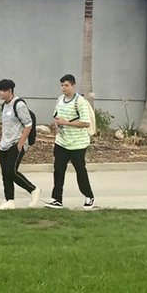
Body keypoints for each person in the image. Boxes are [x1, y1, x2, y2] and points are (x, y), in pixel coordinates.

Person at [47, 74, 96, 209]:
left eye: (66, 85)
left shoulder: (79, 101)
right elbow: (57, 117)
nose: (64, 88)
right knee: (58, 170)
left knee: (80, 170)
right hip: (61, 142)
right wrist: (57, 126)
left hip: (77, 144)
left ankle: (89, 196)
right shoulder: (60, 100)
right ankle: (57, 199)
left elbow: (86, 122)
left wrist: (67, 123)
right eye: (62, 85)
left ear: (73, 86)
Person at [0, 79, 40, 210]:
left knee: (11, 171)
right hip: (4, 144)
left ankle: (33, 190)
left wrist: (21, 143)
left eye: (2, 90)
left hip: (17, 143)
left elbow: (28, 124)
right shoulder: (4, 105)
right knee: (5, 173)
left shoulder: (18, 104)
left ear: (10, 90)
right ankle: (9, 200)